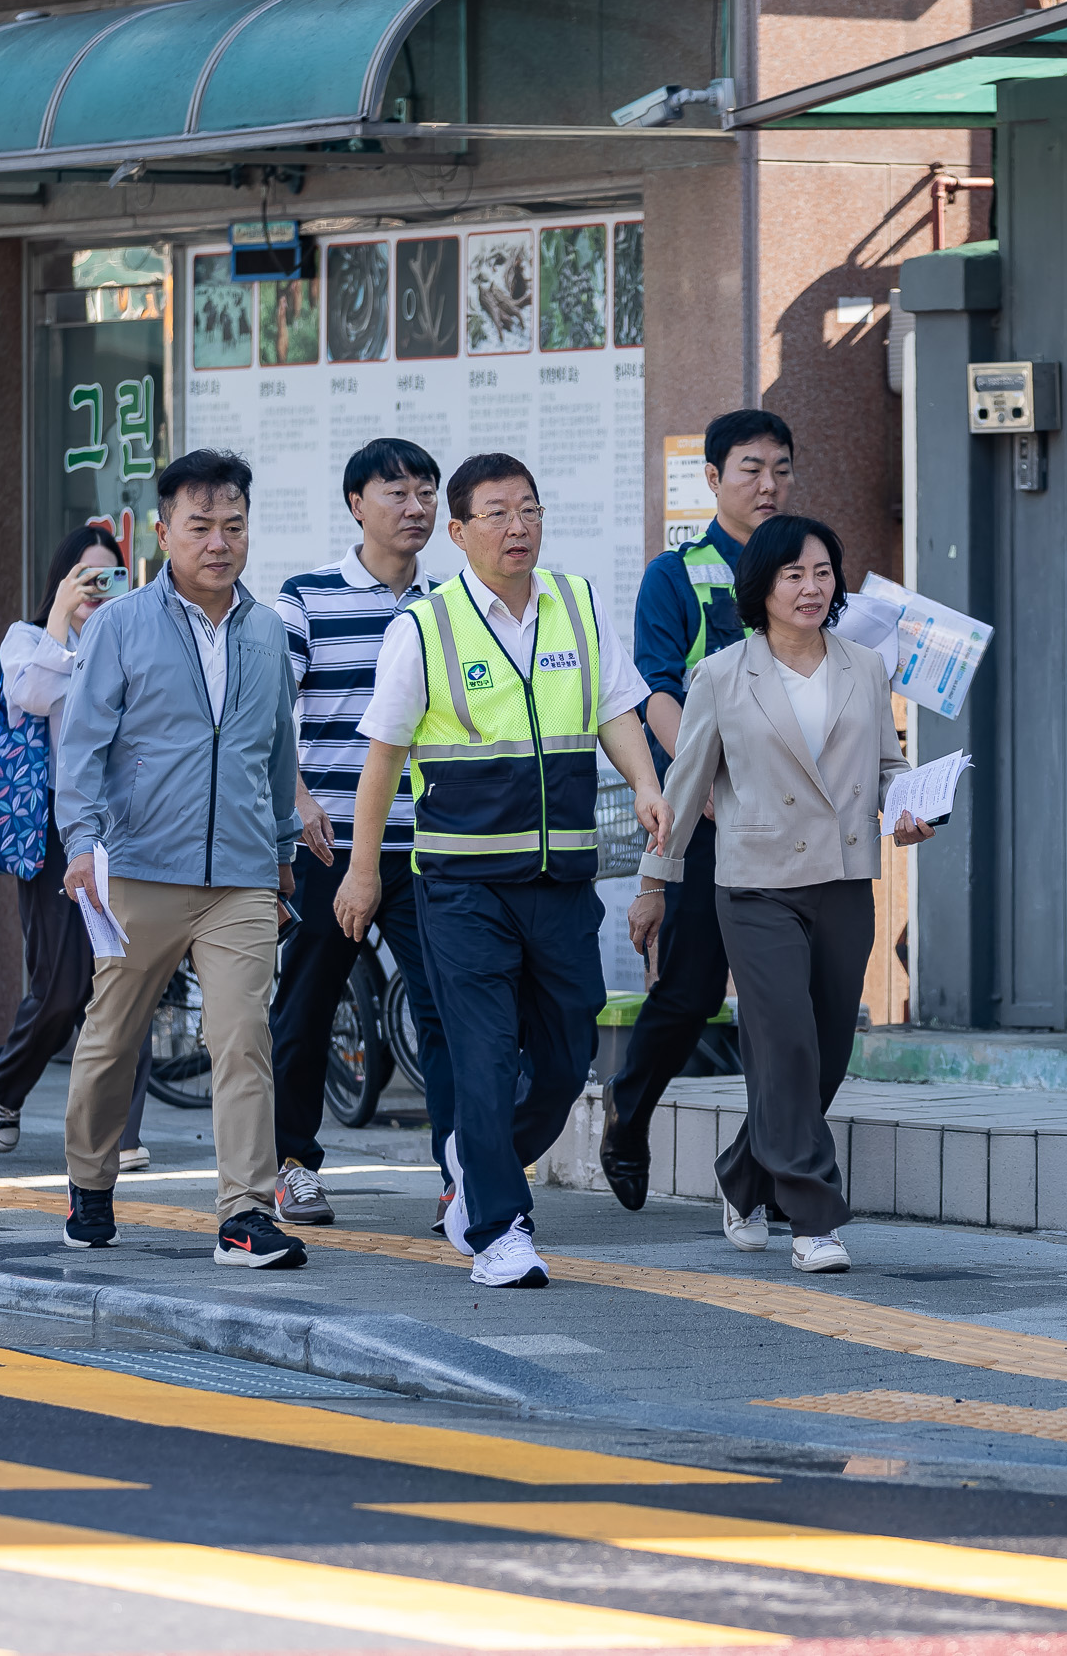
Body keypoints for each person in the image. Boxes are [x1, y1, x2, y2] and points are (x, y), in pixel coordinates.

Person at [336, 452, 671, 1289]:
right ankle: (497, 1225)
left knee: (563, 1055)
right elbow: (383, 759)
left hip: (559, 880)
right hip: (460, 885)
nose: (517, 527)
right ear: (458, 531)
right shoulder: (424, 626)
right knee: (483, 1055)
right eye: (496, 513)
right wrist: (364, 870)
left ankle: (475, 1156)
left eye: (529, 509)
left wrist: (647, 783)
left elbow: (616, 709)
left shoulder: (579, 605)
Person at [631, 516, 934, 1274]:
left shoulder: (865, 665)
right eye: (794, 574)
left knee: (826, 1053)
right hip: (756, 885)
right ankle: (812, 1217)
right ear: (761, 587)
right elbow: (685, 783)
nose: (811, 586)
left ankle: (742, 1174)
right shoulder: (723, 674)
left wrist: (913, 804)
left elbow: (890, 763)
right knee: (787, 1042)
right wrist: (654, 886)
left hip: (843, 880)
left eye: (824, 572)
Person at [56, 449, 306, 1269]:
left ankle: (243, 1213)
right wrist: (81, 844)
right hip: (136, 869)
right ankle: (90, 1182)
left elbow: (275, 756)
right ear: (163, 532)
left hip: (238, 875)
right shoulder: (122, 625)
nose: (218, 541)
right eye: (199, 526)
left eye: (233, 525)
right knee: (111, 1038)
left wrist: (277, 858)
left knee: (243, 1036)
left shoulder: (268, 631)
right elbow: (83, 743)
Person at [601, 410, 795, 1209]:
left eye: (782, 467)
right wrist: (709, 784)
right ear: (712, 479)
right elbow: (656, 696)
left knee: (793, 1003)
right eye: (751, 468)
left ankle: (777, 1167)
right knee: (689, 988)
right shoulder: (675, 576)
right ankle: (628, 1112)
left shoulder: (807, 565)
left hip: (796, 825)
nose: (769, 484)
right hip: (716, 818)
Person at [270, 439, 453, 1229]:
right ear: (356, 504)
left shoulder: (455, 603)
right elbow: (266, 715)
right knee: (306, 1004)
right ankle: (291, 1165)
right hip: (329, 844)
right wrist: (301, 798)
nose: (415, 508)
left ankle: (462, 1170)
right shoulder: (305, 598)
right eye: (396, 493)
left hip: (428, 843)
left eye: (426, 494)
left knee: (447, 1006)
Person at [0, 525, 154, 1169]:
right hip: (50, 826)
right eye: (85, 578)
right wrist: (60, 622)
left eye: (110, 578)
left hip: (126, 824)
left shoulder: (140, 636)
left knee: (132, 970)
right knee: (61, 984)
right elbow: (32, 692)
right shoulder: (28, 639)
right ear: (61, 581)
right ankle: (2, 1080)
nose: (98, 591)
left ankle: (121, 1135)